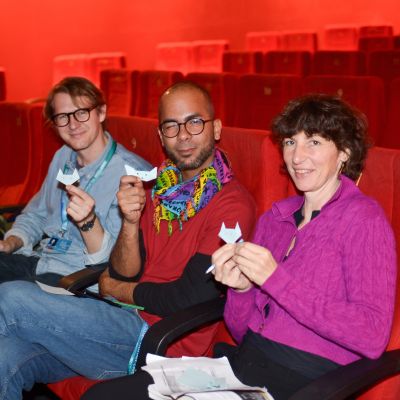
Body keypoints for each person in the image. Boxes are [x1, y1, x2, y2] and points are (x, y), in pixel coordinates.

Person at [81, 94, 397, 400]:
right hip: (239, 368)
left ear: (343, 152)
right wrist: (242, 290)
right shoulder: (276, 219)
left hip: (303, 382)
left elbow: (370, 336)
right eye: (290, 142)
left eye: (313, 142)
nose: (297, 157)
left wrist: (276, 280)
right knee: (103, 395)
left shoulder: (363, 220)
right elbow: (241, 330)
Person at [0, 81, 256, 399]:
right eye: (171, 126)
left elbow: (188, 297)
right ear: (161, 137)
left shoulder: (232, 204)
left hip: (155, 340)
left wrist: (119, 290)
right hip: (114, 323)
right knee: (4, 358)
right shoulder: (159, 189)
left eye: (194, 121)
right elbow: (124, 270)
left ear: (215, 128)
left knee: (9, 298)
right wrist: (131, 223)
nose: (184, 135)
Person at [0, 76, 151, 285]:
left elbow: (120, 265)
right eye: (63, 117)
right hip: (41, 261)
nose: (73, 124)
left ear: (101, 112)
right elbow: (37, 214)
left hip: (78, 280)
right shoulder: (63, 156)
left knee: (9, 297)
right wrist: (11, 242)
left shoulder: (131, 175)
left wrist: (88, 222)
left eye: (81, 113)